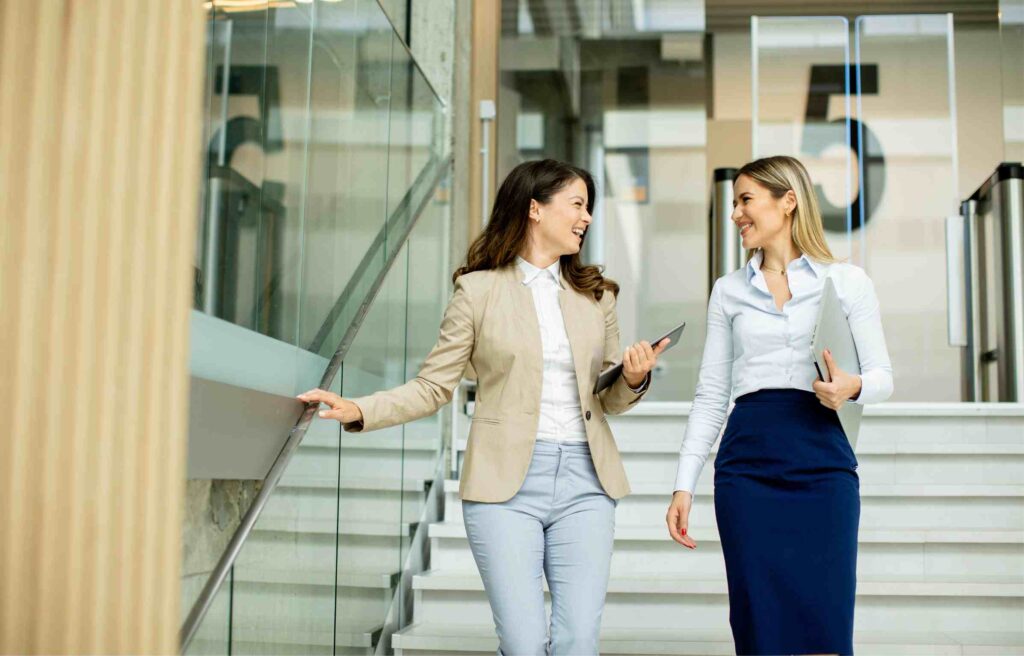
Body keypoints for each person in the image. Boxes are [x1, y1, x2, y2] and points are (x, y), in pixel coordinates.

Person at [300, 159, 669, 655]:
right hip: (505, 486)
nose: (586, 218)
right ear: (535, 208)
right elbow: (433, 386)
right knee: (522, 643)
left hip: (587, 480)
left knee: (578, 640)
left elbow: (610, 399)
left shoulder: (595, 296)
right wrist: (360, 409)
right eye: (577, 205)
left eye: (588, 208)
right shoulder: (477, 291)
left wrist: (634, 377)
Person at [665, 155, 893, 656]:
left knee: (825, 628)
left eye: (745, 200)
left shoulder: (847, 281)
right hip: (748, 470)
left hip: (823, 467)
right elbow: (710, 395)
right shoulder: (728, 291)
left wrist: (850, 388)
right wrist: (685, 483)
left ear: (787, 201)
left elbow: (883, 378)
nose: (736, 214)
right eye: (734, 203)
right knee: (759, 628)